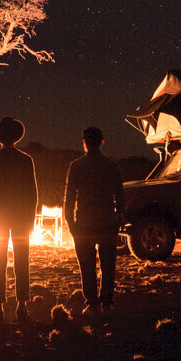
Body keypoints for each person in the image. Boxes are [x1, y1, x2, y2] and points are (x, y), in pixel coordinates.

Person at [0, 116, 39, 322]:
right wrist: (31, 220)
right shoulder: (25, 159)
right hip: (21, 217)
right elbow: (32, 193)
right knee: (22, 260)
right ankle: (22, 306)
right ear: (16, 137)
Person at [64, 126, 125, 315]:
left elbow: (69, 198)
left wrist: (70, 222)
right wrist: (118, 220)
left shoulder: (76, 166)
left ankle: (91, 303)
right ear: (102, 142)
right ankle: (107, 303)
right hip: (107, 222)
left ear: (85, 143)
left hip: (83, 222)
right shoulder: (111, 165)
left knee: (86, 265)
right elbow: (120, 197)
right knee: (108, 265)